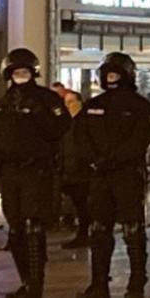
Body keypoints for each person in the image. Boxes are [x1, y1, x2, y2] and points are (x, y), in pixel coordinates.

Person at [0, 49, 72, 297]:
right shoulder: (3, 105)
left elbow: (61, 129)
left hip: (38, 170)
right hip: (10, 172)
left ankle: (36, 284)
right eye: (16, 72)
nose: (20, 76)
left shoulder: (47, 100)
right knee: (15, 230)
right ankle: (25, 281)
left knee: (34, 227)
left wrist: (39, 114)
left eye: (24, 71)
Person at [77, 53, 150, 298]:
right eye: (107, 75)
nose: (111, 79)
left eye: (115, 75)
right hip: (99, 176)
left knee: (133, 229)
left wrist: (115, 159)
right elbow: (80, 136)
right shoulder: (93, 105)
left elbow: (141, 139)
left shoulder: (139, 106)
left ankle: (136, 283)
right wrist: (93, 160)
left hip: (127, 174)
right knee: (99, 229)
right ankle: (99, 284)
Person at [59, 90, 91, 250]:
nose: (68, 106)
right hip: (69, 171)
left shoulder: (86, 122)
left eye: (71, 102)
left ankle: (85, 234)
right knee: (77, 204)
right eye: (66, 102)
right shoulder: (64, 124)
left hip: (82, 171)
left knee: (84, 205)